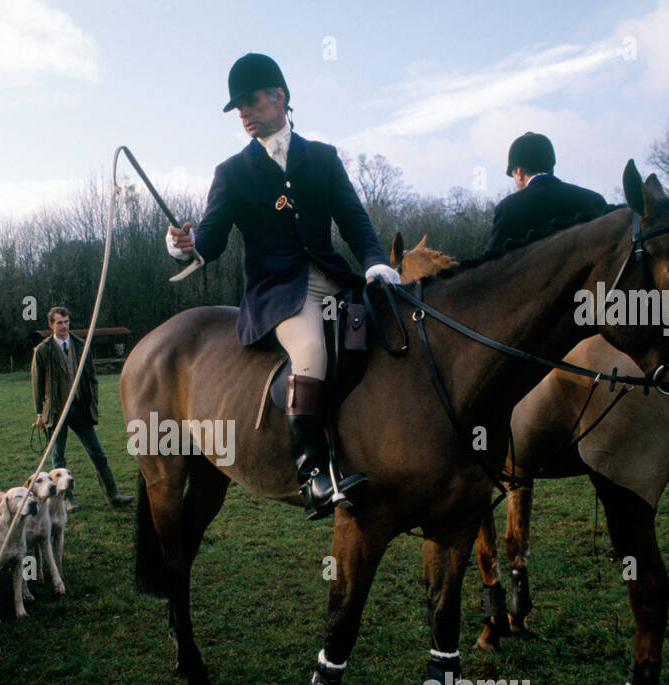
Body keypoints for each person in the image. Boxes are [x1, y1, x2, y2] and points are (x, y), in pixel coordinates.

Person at [166, 52, 400, 520]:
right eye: (238, 110)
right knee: (312, 351)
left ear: (281, 98)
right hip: (279, 293)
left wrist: (375, 263)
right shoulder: (232, 173)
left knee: (389, 334)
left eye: (250, 103)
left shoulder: (324, 159)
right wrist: (184, 244)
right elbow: (209, 241)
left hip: (334, 280)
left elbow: (353, 220)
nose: (244, 115)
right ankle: (313, 474)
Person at [32, 306, 132, 509]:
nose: (64, 326)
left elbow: (92, 377)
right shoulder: (43, 350)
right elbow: (37, 384)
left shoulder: (80, 345)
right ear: (51, 325)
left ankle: (113, 495)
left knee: (97, 452)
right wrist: (40, 414)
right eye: (59, 322)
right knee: (58, 457)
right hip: (55, 412)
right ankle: (66, 500)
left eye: (66, 321)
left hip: (80, 409)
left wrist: (92, 402)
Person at [485, 132, 607, 253]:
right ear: (551, 166)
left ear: (520, 172)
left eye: (514, 176)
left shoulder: (508, 208)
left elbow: (492, 265)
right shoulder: (594, 200)